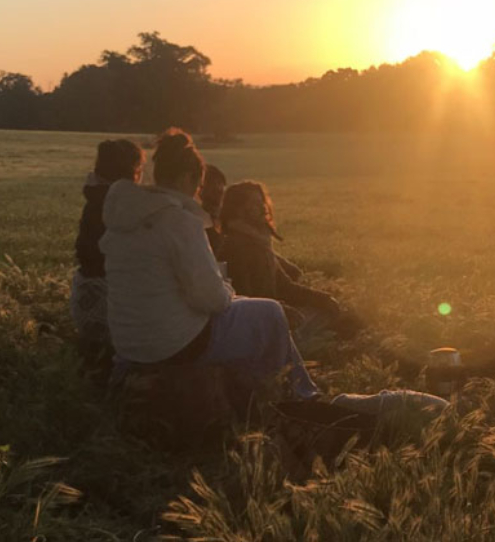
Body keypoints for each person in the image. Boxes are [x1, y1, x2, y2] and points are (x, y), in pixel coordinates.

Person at [99, 128, 320, 403]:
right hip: (173, 343)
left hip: (129, 341)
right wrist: (228, 291)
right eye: (198, 185)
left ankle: (269, 391)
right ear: (186, 178)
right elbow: (211, 299)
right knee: (269, 313)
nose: (198, 193)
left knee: (247, 312)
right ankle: (293, 395)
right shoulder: (177, 221)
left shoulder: (124, 218)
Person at [217, 180, 349, 331]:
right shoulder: (235, 246)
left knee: (325, 311)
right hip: (256, 322)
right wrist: (282, 310)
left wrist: (323, 298)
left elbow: (285, 287)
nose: (261, 208)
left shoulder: (259, 244)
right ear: (238, 210)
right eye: (254, 203)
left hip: (273, 311)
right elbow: (244, 298)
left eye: (261, 202)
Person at [70, 138, 144, 366]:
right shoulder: (121, 207)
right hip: (109, 305)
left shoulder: (96, 198)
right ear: (132, 171)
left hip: (84, 298)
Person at [199, 164, 227, 254]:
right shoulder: (197, 221)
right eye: (212, 184)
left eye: (220, 184)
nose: (218, 189)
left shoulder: (228, 219)